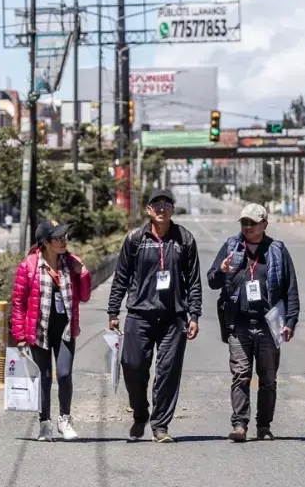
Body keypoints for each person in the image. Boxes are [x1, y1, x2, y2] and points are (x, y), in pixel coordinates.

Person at [107, 189, 203, 443]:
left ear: (172, 209)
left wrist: (194, 314)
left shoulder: (184, 239)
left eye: (167, 205)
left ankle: (160, 425)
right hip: (139, 315)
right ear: (149, 210)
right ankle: (140, 411)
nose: (162, 209)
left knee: (168, 371)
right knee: (132, 365)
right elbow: (121, 276)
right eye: (157, 205)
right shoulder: (136, 239)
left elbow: (193, 280)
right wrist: (113, 310)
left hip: (174, 317)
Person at [207, 203, 300, 442]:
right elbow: (212, 281)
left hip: (269, 325)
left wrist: (290, 321)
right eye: (244, 222)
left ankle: (264, 425)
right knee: (240, 374)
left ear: (264, 225)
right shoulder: (231, 246)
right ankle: (239, 424)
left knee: (268, 379)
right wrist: (221, 269)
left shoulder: (277, 250)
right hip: (238, 324)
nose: (248, 227)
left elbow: (290, 289)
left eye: (253, 223)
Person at [11, 219, 92, 441]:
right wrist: (19, 336)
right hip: (39, 330)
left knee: (64, 375)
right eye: (58, 238)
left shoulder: (71, 263)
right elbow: (18, 303)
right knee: (44, 377)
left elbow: (84, 296)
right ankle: (44, 423)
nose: (64, 241)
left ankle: (64, 419)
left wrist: (82, 273)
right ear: (46, 243)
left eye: (65, 237)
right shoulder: (28, 266)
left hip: (65, 329)